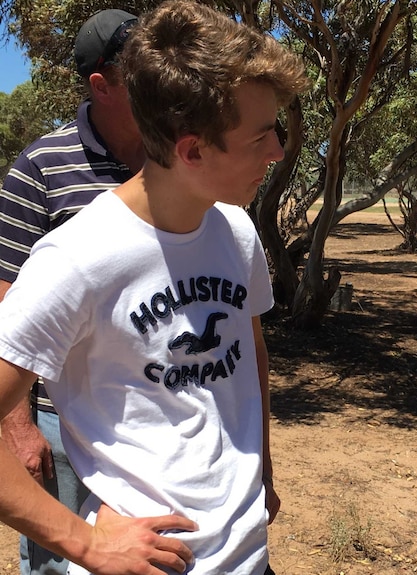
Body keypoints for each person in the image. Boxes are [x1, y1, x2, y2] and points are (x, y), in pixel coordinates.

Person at [0, 0, 308, 572]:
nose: (278, 152)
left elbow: (250, 357)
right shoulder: (78, 258)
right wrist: (84, 542)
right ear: (191, 150)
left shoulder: (237, 231)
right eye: (262, 136)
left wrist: (260, 468)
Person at [0, 9, 144, 575]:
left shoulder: (178, 157)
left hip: (149, 413)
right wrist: (17, 426)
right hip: (62, 417)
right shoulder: (39, 167)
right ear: (101, 85)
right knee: (61, 561)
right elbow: (6, 302)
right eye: (143, 71)